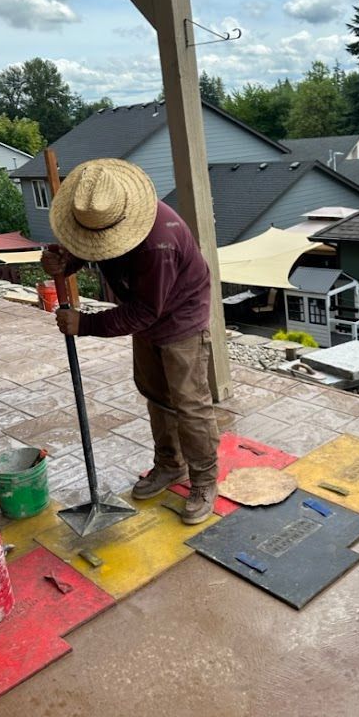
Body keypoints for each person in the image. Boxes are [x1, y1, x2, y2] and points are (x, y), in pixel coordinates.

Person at [41, 158, 219, 525]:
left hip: (180, 315)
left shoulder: (159, 243)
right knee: (154, 393)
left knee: (189, 403)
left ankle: (203, 480)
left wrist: (85, 324)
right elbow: (96, 246)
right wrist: (66, 261)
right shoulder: (98, 212)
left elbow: (144, 312)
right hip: (148, 310)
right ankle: (170, 465)